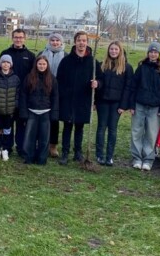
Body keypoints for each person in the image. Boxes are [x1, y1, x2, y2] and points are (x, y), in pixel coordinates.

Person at [56, 31, 99, 165]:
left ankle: (78, 152)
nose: (82, 43)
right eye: (79, 40)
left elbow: (100, 79)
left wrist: (97, 83)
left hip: (83, 99)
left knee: (80, 126)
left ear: (87, 42)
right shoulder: (66, 60)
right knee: (67, 126)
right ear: (75, 42)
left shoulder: (92, 62)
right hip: (68, 99)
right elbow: (59, 80)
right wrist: (62, 96)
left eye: (84, 40)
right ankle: (64, 152)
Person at [130, 42, 160, 171]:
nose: (153, 54)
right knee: (137, 132)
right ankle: (136, 157)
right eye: (151, 52)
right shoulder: (141, 67)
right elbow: (134, 86)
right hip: (140, 104)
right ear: (148, 53)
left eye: (155, 52)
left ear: (159, 54)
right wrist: (132, 104)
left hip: (155, 107)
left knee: (151, 134)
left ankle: (148, 159)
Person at [94, 40, 134, 166]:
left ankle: (109, 156)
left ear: (120, 51)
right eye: (111, 49)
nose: (113, 51)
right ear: (108, 51)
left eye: (116, 49)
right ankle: (99, 155)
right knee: (101, 127)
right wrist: (95, 99)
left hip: (117, 103)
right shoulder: (102, 65)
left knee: (112, 129)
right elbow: (99, 83)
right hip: (102, 101)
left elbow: (128, 87)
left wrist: (123, 105)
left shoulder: (126, 68)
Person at [0, 29, 35, 156]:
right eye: (16, 37)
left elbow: (33, 76)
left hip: (23, 96)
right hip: (8, 94)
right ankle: (7, 146)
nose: (18, 39)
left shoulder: (30, 56)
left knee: (21, 123)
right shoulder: (5, 53)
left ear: (25, 39)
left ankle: (21, 147)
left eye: (20, 37)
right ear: (12, 38)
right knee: (8, 122)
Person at [20, 56, 59, 165]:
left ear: (47, 66)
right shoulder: (29, 78)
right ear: (36, 65)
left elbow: (55, 97)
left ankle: (42, 159)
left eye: (44, 64)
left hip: (46, 112)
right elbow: (23, 95)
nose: (42, 66)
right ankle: (29, 157)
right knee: (29, 137)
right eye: (40, 64)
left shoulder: (52, 79)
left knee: (44, 138)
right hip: (32, 111)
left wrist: (54, 114)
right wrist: (23, 112)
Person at [0, 54, 20, 161]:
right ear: (0, 64)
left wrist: (15, 104)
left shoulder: (15, 78)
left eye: (7, 62)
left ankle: (6, 149)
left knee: (8, 130)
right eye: (3, 62)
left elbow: (17, 93)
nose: (5, 64)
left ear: (11, 64)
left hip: (10, 111)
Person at [40, 32, 65, 157]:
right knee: (41, 118)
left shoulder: (65, 56)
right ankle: (41, 143)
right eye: (52, 40)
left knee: (54, 119)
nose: (55, 43)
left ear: (61, 42)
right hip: (42, 91)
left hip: (58, 92)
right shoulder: (41, 54)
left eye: (57, 40)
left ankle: (53, 145)